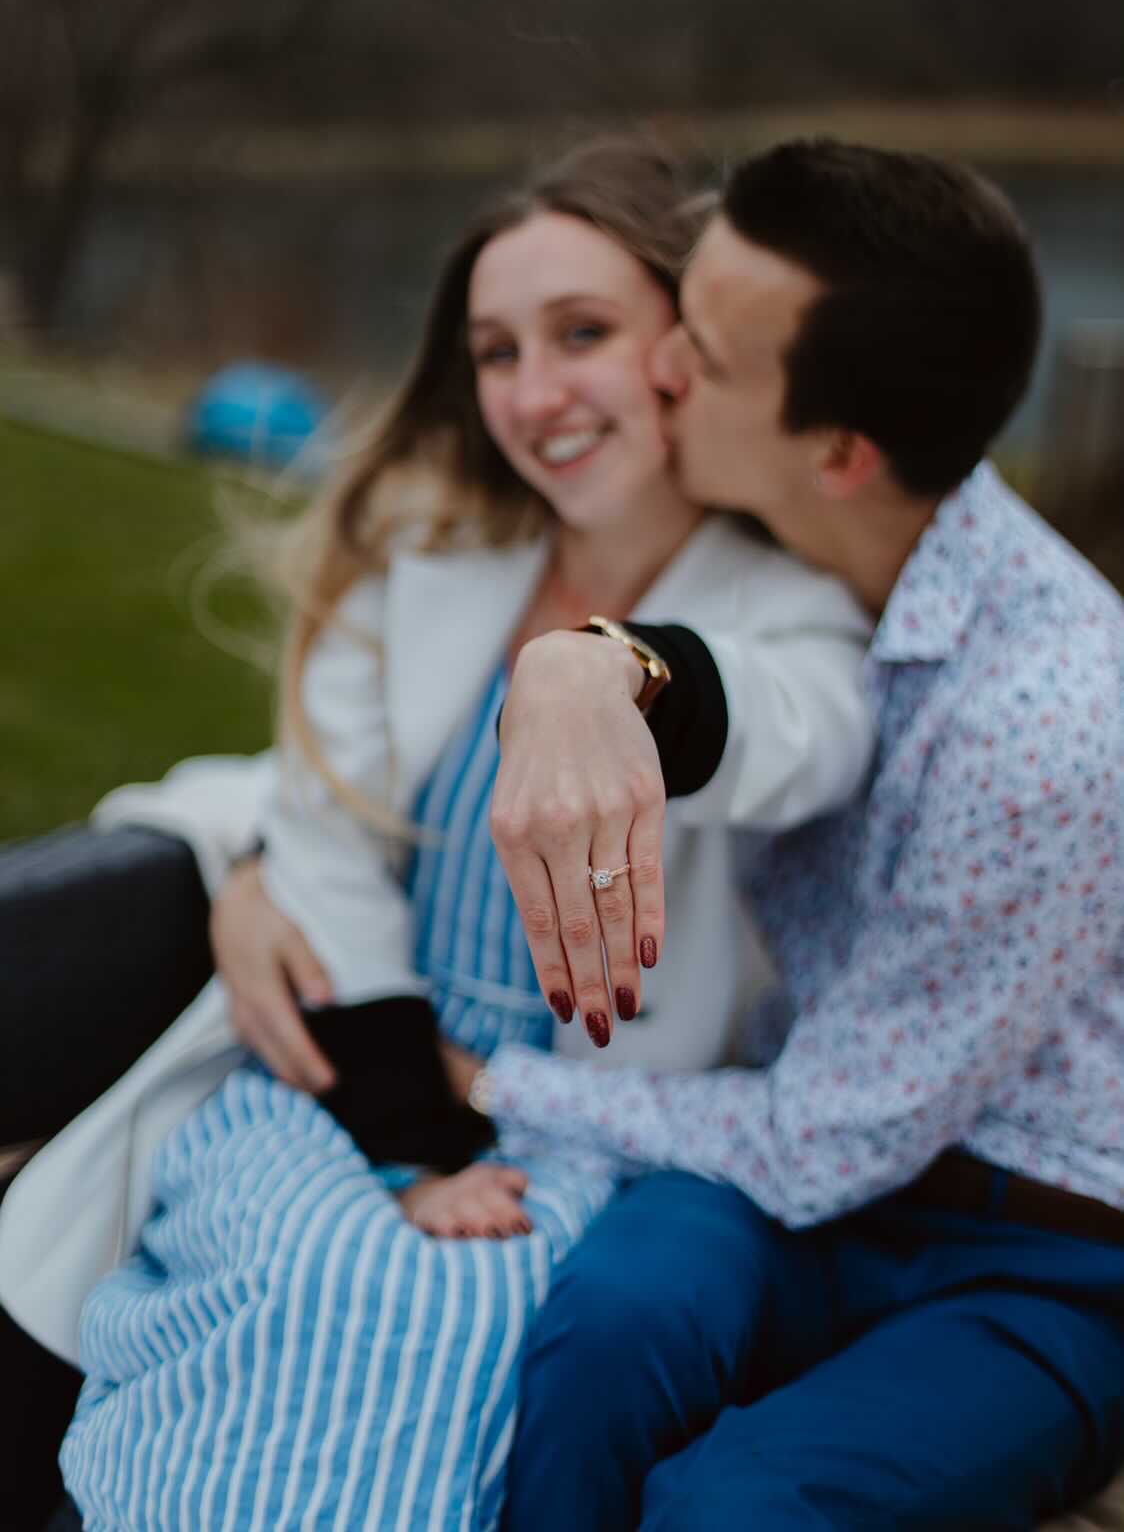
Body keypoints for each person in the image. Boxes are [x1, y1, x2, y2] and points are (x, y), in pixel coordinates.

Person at [10, 139, 875, 1530]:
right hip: (361, 1066)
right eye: (494, 351)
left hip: (601, 1130)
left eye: (582, 334)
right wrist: (406, 1138)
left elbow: (794, 726)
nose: (534, 395)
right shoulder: (433, 550)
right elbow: (331, 828)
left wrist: (615, 671)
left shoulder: (790, 605)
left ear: (689, 344)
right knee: (283, 1268)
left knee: (444, 1335)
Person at [438, 138, 1124, 1531]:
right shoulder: (799, 549)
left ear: (841, 451)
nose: (661, 366)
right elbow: (729, 692)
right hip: (808, 1169)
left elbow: (829, 1139)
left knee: (732, 1510)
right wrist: (582, 666)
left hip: (1033, 1247)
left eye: (705, 352)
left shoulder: (1047, 715)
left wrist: (488, 1081)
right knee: (602, 1338)